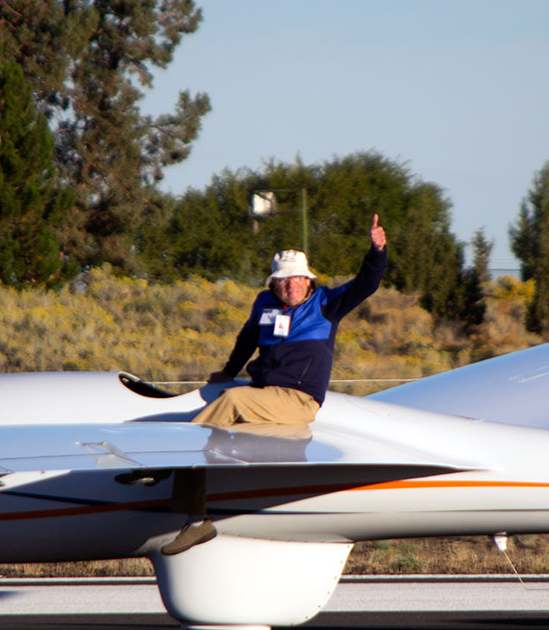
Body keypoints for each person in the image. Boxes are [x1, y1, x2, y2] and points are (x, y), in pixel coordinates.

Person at [161, 215, 388, 555]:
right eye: (283, 281)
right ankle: (192, 493)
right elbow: (247, 338)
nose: (291, 286)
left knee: (233, 401)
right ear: (273, 284)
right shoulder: (264, 303)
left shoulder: (326, 303)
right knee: (225, 397)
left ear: (308, 280)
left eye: (297, 279)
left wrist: (377, 250)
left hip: (298, 399)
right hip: (265, 393)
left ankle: (171, 468)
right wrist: (227, 371)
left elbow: (366, 283)